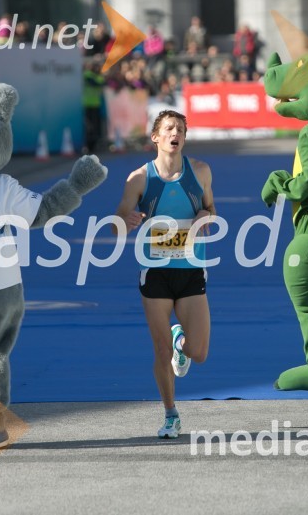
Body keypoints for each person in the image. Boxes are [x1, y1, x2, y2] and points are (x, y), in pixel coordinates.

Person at [113, 110, 215, 438]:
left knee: (198, 353)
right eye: (169, 128)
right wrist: (125, 221)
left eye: (181, 129)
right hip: (155, 271)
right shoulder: (139, 178)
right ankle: (171, 413)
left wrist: (206, 215)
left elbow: (212, 209)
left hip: (190, 270)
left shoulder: (200, 172)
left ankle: (180, 339)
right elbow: (118, 220)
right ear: (156, 137)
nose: (176, 133)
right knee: (161, 352)